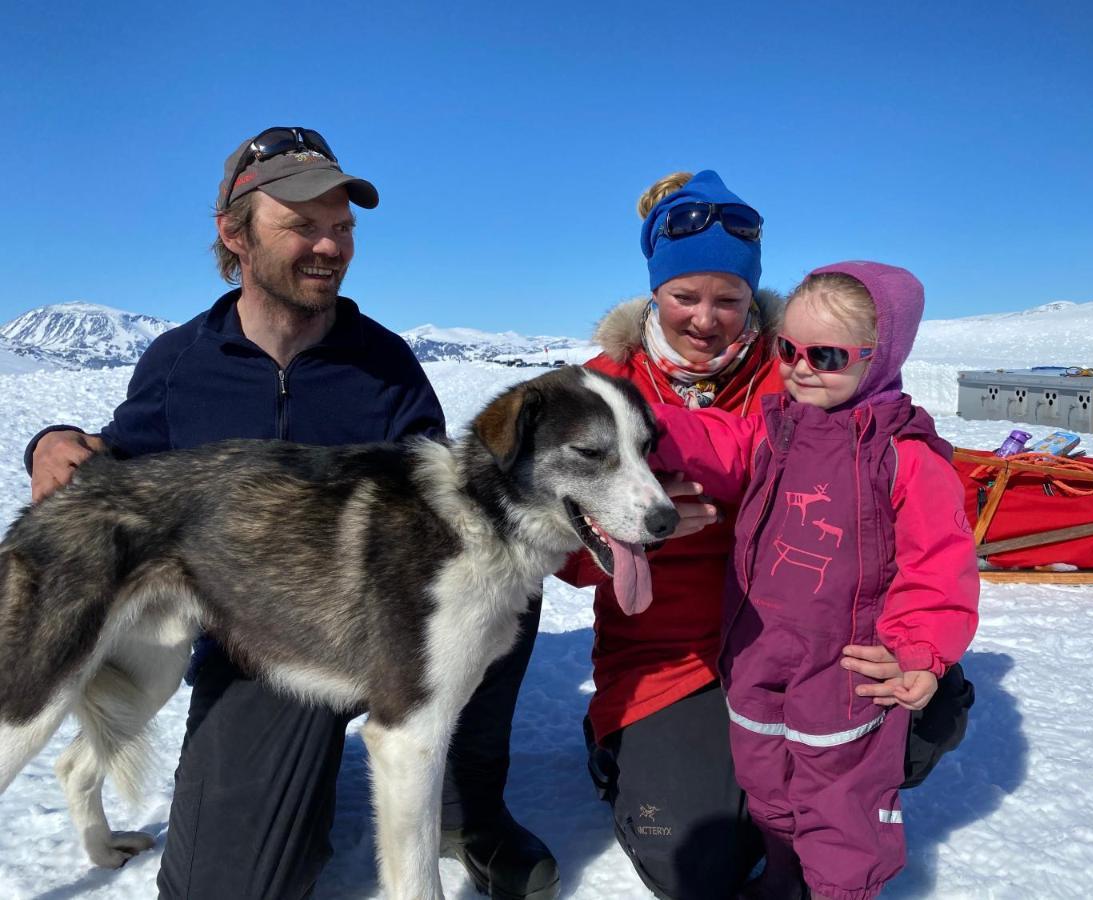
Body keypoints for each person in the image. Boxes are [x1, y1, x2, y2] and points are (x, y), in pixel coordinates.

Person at [25, 127, 559, 900]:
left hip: (380, 629)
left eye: (342, 227)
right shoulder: (180, 364)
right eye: (302, 223)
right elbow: (127, 472)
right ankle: (294, 790)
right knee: (228, 885)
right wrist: (48, 442)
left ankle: (463, 805)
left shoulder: (383, 364)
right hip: (257, 648)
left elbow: (447, 514)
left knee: (497, 574)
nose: (328, 245)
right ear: (234, 233)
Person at [558, 171, 975, 900]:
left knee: (907, 722)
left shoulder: (797, 383)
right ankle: (640, 756)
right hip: (674, 653)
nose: (706, 318)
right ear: (653, 291)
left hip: (803, 641)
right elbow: (564, 547)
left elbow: (930, 548)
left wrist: (923, 648)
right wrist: (632, 503)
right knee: (703, 863)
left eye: (730, 299)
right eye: (685, 296)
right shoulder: (605, 390)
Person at [650, 261, 982, 900]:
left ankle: (836, 890)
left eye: (825, 355)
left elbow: (939, 567)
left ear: (878, 357)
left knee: (840, 802)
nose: (801, 368)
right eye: (788, 350)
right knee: (765, 781)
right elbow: (714, 442)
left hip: (846, 668)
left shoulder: (904, 456)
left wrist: (919, 650)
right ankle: (783, 876)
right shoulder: (774, 428)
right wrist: (642, 423)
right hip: (759, 650)